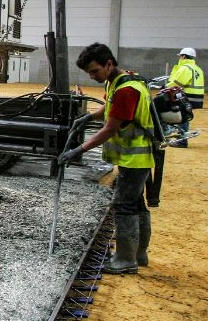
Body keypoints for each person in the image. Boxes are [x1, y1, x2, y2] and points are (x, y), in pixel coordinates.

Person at [61, 43, 156, 274]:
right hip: (135, 157)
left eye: (94, 71)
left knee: (124, 204)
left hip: (135, 159)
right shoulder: (120, 80)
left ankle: (125, 260)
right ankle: (138, 254)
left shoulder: (126, 90)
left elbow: (110, 128)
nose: (92, 76)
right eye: (89, 73)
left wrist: (79, 150)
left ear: (109, 64)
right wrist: (88, 117)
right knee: (135, 203)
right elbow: (109, 107)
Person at [164, 47, 204, 148]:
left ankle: (181, 141)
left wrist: (165, 87)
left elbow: (178, 83)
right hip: (197, 98)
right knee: (183, 116)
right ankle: (180, 137)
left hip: (188, 96)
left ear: (184, 56)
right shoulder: (197, 68)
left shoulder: (186, 68)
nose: (180, 58)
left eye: (181, 56)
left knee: (178, 115)